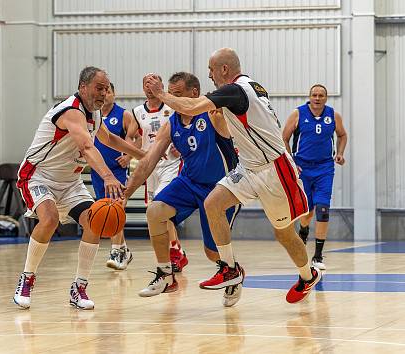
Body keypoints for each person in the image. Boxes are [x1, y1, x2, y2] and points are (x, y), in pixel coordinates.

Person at [144, 47, 322, 304]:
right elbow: (232, 131)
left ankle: (308, 275)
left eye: (211, 70)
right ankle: (230, 268)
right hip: (248, 166)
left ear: (224, 70)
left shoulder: (235, 90)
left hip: (274, 169)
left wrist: (161, 94)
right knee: (212, 203)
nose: (209, 75)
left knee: (283, 233)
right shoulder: (246, 90)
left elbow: (193, 107)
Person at [13, 66, 145, 310]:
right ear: (83, 87)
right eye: (99, 88)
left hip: (70, 182)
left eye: (106, 89)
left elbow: (108, 139)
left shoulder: (94, 114)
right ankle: (27, 278)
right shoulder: (72, 111)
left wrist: (142, 154)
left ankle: (79, 287)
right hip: (39, 176)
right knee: (49, 219)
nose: (104, 93)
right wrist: (107, 175)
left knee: (94, 222)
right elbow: (86, 146)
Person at [125, 72, 241, 306]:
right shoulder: (172, 123)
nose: (169, 100)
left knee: (212, 252)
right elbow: (148, 161)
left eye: (175, 95)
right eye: (169, 94)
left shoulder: (213, 113)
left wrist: (160, 94)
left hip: (221, 188)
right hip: (189, 182)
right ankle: (166, 275)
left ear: (194, 94)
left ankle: (232, 272)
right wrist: (126, 195)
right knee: (155, 211)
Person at [282, 84, 348, 270]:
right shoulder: (298, 114)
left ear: (326, 98)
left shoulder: (333, 115)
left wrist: (340, 153)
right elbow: (284, 138)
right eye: (314, 95)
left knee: (323, 209)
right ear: (309, 96)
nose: (317, 98)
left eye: (321, 95)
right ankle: (303, 230)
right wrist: (292, 163)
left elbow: (342, 135)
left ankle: (318, 256)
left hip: (325, 168)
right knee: (307, 211)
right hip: (303, 168)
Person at [132, 76, 189, 273]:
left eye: (152, 83)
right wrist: (128, 153)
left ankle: (174, 253)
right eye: (145, 84)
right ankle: (177, 252)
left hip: (170, 165)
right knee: (156, 212)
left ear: (161, 87)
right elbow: (133, 137)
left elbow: (185, 126)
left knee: (162, 206)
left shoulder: (171, 106)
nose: (149, 87)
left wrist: (181, 147)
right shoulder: (138, 112)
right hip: (151, 167)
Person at [89, 82, 139, 270]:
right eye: (102, 91)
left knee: (115, 208)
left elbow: (137, 137)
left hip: (116, 172)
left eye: (108, 91)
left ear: (114, 94)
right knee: (107, 212)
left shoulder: (123, 115)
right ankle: (124, 250)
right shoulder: (93, 116)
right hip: (98, 171)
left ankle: (117, 251)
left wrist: (129, 156)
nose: (106, 95)